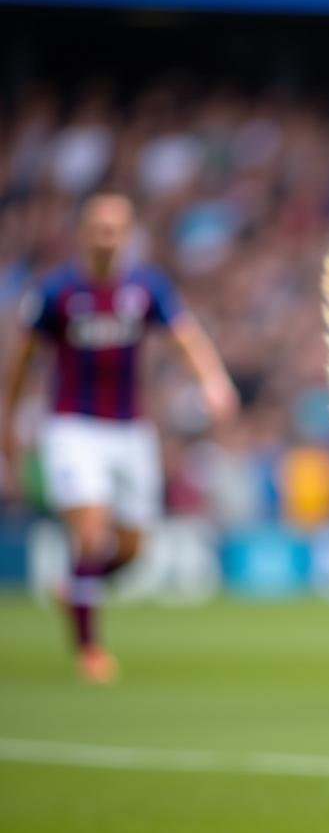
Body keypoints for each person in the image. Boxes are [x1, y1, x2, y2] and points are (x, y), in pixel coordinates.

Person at [1, 189, 238, 683]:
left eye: (115, 229)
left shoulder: (146, 287)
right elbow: (22, 359)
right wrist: (9, 419)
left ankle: (76, 587)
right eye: (98, 229)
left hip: (131, 429)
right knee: (91, 533)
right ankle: (89, 649)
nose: (107, 239)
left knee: (132, 549)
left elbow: (186, 337)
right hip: (72, 426)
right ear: (82, 233)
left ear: (128, 235)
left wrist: (213, 382)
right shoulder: (56, 292)